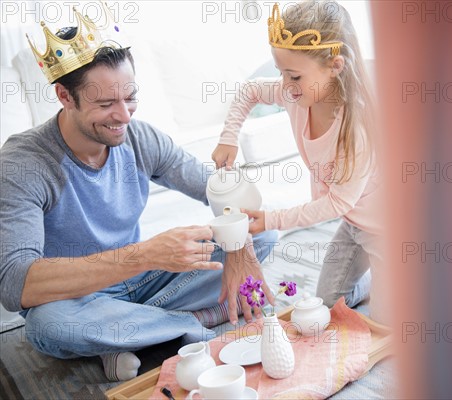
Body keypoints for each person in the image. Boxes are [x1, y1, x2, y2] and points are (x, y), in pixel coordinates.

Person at [0, 9, 277, 382]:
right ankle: (196, 321)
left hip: (144, 280)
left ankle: (126, 337)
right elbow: (16, 285)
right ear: (65, 96)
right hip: (80, 299)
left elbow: (220, 191)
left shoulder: (139, 137)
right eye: (104, 105)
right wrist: (145, 253)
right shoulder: (23, 163)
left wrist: (239, 248)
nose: (124, 116)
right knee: (47, 326)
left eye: (130, 97)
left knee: (263, 233)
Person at [212, 1, 382, 315]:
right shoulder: (296, 95)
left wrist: (272, 220)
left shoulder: (356, 126)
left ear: (335, 66)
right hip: (353, 224)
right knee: (328, 305)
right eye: (281, 74)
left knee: (390, 321)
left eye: (294, 76)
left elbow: (337, 203)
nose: (286, 87)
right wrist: (229, 136)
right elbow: (250, 90)